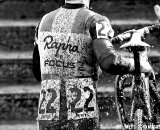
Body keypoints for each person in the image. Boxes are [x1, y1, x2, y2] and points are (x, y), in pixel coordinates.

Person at [33, 0, 152, 129]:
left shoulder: (44, 21)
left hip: (47, 115)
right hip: (82, 115)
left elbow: (37, 71)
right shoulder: (95, 20)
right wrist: (136, 65)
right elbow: (109, 62)